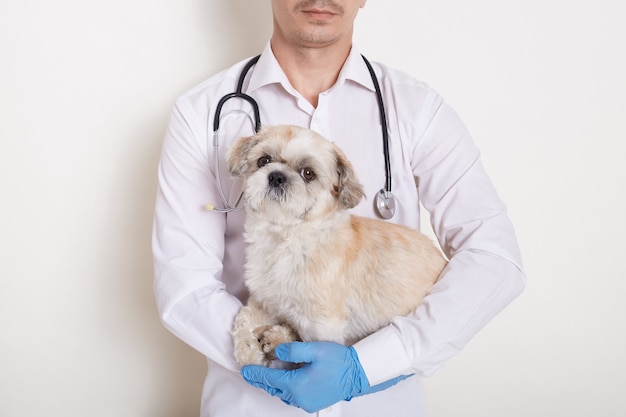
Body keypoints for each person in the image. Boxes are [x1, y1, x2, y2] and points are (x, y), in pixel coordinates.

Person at [152, 1, 525, 416]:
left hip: (382, 403)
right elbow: (183, 285)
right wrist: (269, 353)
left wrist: (373, 363)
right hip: (250, 404)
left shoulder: (418, 110)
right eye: (267, 164)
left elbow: (494, 257)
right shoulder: (201, 114)